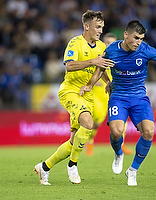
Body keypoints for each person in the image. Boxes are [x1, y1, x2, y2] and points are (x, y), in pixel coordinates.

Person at [79, 20, 156, 186]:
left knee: (149, 132)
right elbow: (100, 68)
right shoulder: (111, 50)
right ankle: (118, 154)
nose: (138, 42)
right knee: (116, 132)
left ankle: (132, 170)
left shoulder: (145, 49)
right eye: (136, 38)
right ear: (126, 35)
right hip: (119, 96)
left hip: (139, 98)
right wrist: (90, 84)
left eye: (141, 38)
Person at [34, 10, 114, 185]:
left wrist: (107, 81)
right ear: (87, 27)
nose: (100, 30)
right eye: (97, 27)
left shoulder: (101, 47)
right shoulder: (75, 43)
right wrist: (93, 61)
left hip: (87, 94)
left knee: (74, 141)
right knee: (88, 123)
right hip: (70, 90)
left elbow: (100, 70)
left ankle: (44, 167)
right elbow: (69, 66)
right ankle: (73, 164)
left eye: (102, 27)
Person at [86, 32, 133, 156]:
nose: (110, 45)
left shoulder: (120, 57)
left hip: (115, 93)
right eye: (107, 43)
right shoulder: (98, 56)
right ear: (103, 44)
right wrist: (94, 81)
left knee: (122, 119)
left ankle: (121, 145)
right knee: (96, 122)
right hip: (99, 95)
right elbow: (90, 72)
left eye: (112, 42)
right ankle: (90, 142)